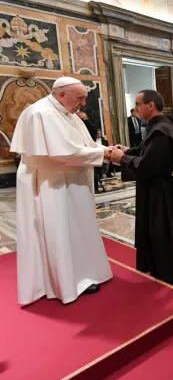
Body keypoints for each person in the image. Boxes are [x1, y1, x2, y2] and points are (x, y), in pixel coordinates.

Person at [10, 77, 113, 305]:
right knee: (58, 229)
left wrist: (107, 149)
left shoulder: (68, 113)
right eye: (80, 98)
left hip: (69, 182)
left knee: (75, 227)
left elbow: (84, 144)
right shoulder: (41, 114)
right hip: (50, 184)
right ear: (61, 95)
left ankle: (83, 273)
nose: (83, 103)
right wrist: (104, 155)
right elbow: (62, 154)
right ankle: (65, 282)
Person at [110, 90, 173, 285]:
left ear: (151, 105)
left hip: (159, 190)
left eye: (138, 104)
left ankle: (168, 270)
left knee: (161, 230)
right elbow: (148, 150)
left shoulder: (161, 130)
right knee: (160, 229)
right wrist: (129, 152)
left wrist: (123, 159)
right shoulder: (159, 127)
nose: (136, 109)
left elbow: (150, 165)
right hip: (156, 187)